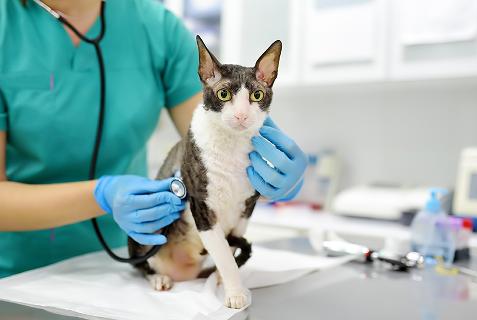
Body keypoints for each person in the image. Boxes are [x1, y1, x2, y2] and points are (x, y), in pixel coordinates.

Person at [0, 0, 307, 278]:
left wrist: (275, 168)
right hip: (16, 272)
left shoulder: (157, 28)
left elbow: (215, 130)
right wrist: (101, 194)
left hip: (132, 255)